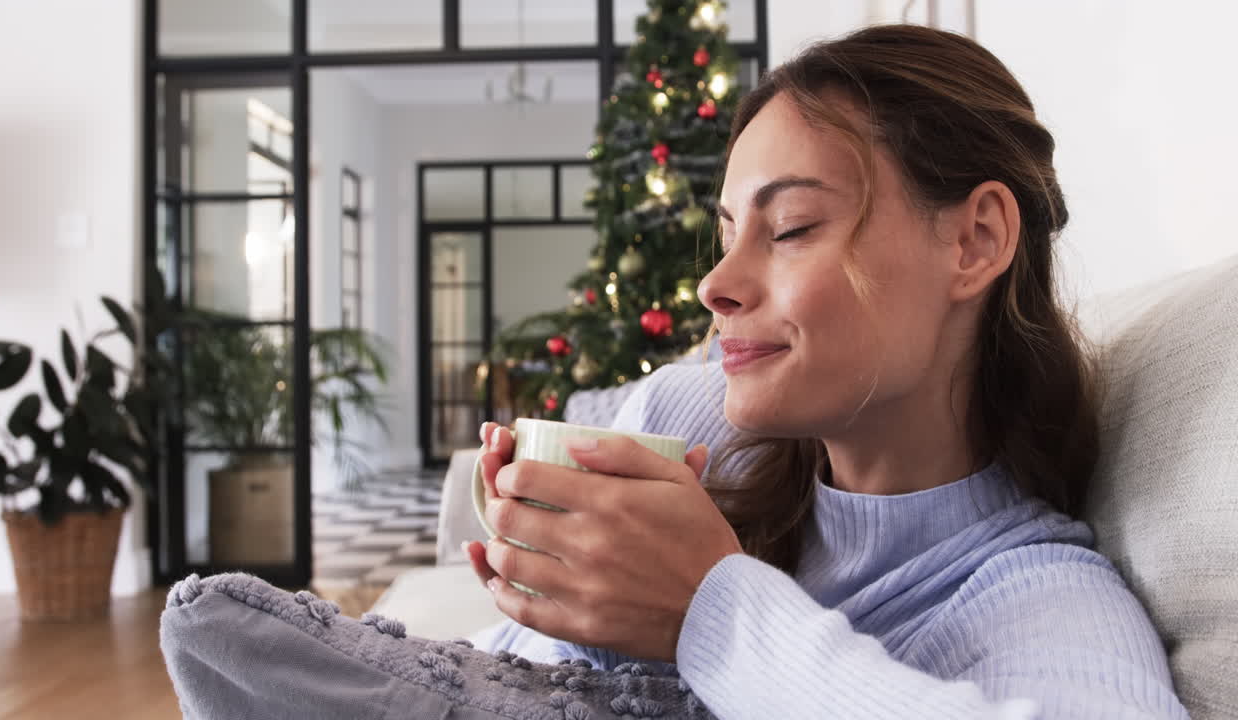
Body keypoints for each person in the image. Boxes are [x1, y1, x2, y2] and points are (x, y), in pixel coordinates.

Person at [461, 24, 1189, 719]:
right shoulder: (681, 423)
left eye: (790, 229)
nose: (715, 283)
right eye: (726, 235)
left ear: (976, 240)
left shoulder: (1041, 604)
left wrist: (710, 609)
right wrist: (568, 597)